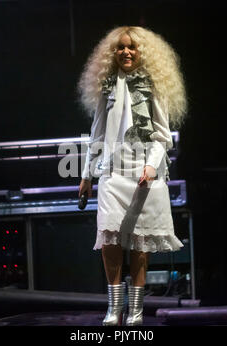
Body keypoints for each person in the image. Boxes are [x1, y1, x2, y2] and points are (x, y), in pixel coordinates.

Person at [77, 26, 187, 326]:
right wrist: (87, 174)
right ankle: (114, 309)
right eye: (121, 47)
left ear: (142, 52)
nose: (126, 52)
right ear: (113, 53)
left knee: (139, 244)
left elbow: (163, 137)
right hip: (113, 175)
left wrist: (151, 167)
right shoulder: (108, 85)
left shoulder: (154, 86)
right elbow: (97, 133)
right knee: (110, 240)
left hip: (144, 175)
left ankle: (135, 311)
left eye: (132, 47)